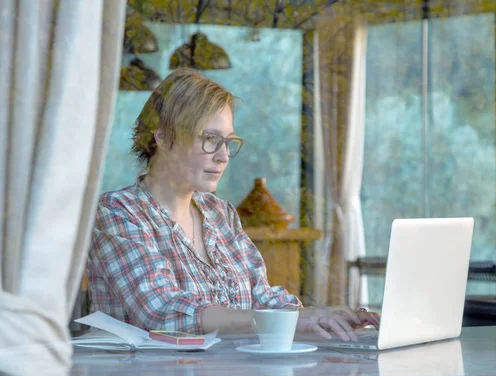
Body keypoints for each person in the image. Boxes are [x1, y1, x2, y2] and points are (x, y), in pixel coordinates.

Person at [86, 68, 378, 341]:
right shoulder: (117, 212)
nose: (223, 156)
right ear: (162, 136)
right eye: (210, 139)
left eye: (228, 142)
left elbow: (260, 296)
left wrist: (319, 316)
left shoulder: (219, 213)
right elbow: (162, 312)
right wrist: (285, 322)